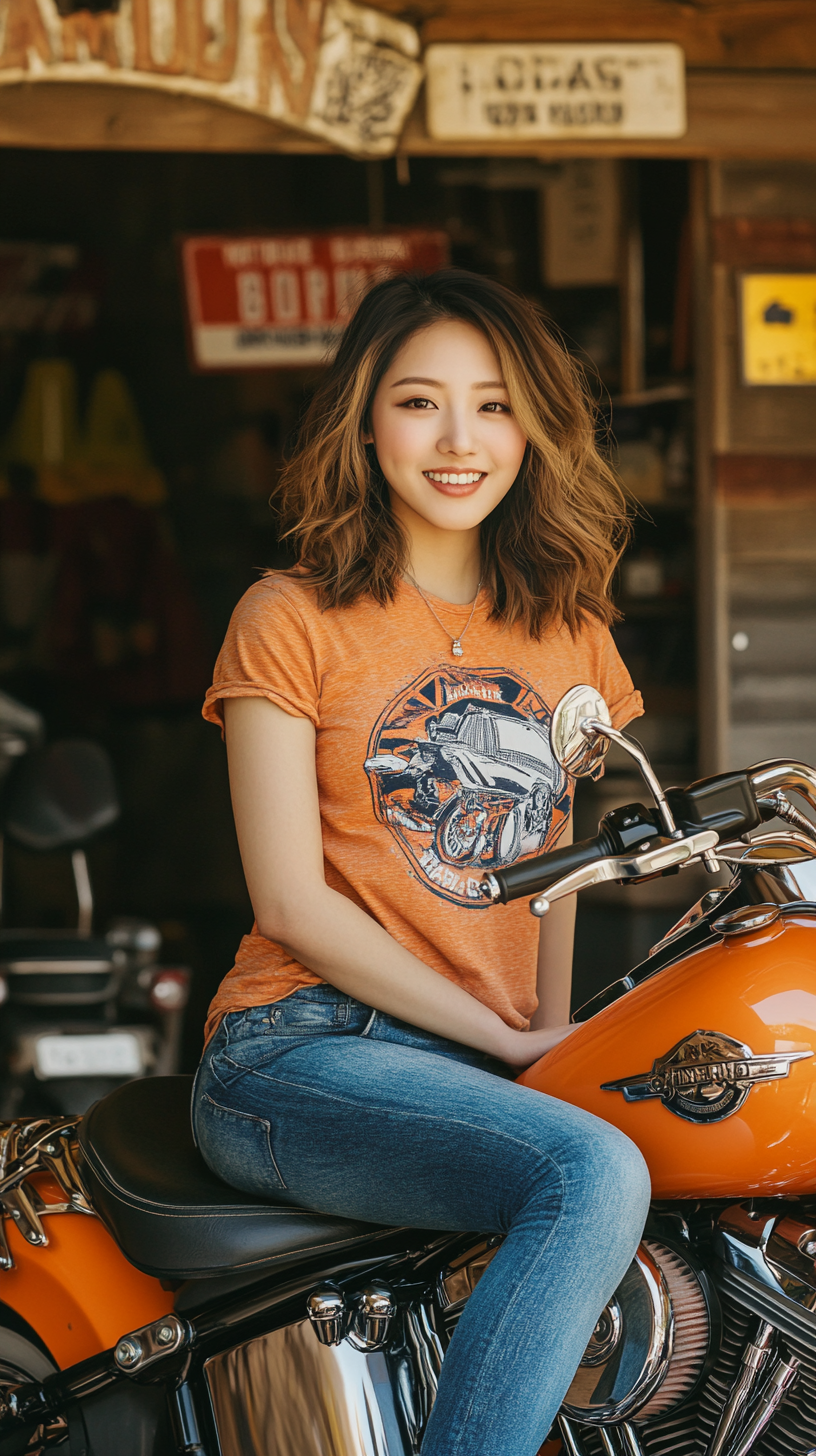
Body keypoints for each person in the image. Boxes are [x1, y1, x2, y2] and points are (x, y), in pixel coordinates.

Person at [194, 269, 651, 1456]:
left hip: (480, 1056)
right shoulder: (287, 616)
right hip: (298, 1048)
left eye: (494, 405)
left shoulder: (570, 632)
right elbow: (289, 898)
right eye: (419, 402)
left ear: (535, 427)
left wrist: (541, 1031)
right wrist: (502, 1043)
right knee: (593, 1175)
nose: (460, 441)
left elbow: (558, 870)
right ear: (363, 421)